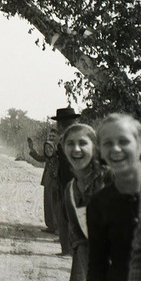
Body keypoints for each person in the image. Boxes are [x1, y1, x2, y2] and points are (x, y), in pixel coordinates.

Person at [83, 113, 141, 281]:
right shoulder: (99, 204)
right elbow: (97, 266)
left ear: (140, 143)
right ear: (100, 150)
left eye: (123, 141)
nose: (116, 149)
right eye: (107, 143)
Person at [60, 124, 112, 281]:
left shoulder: (112, 179)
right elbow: (79, 239)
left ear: (95, 147)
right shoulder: (70, 191)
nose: (76, 149)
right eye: (70, 143)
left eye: (83, 143)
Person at [51, 107, 80, 255]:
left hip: (69, 183)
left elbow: (68, 167)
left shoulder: (65, 141)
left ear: (62, 124)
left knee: (65, 217)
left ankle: (67, 250)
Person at [27, 128, 59, 233]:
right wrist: (32, 149)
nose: (51, 138)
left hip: (56, 182)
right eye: (50, 136)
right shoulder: (48, 148)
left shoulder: (60, 151)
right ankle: (51, 226)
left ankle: (57, 227)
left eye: (53, 136)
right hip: (48, 181)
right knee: (48, 203)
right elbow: (40, 158)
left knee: (55, 204)